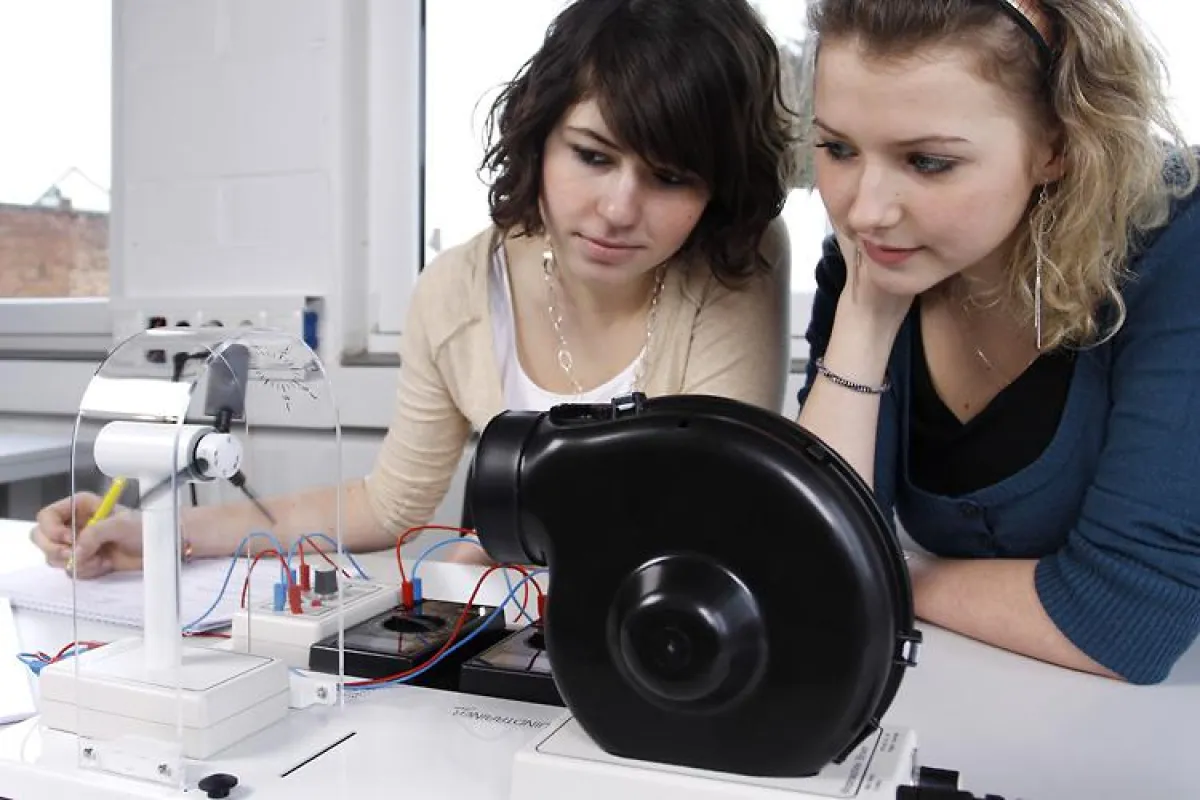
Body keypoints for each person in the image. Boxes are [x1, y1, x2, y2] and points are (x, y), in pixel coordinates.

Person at [31, 0, 797, 578]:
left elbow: (714, 512)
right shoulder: (457, 293)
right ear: (540, 136)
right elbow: (388, 502)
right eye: (593, 156)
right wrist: (161, 535)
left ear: (717, 193)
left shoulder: (738, 261)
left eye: (670, 178)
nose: (620, 209)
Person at [794, 0, 1200, 685]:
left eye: (926, 162)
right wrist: (865, 319)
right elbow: (810, 554)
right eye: (838, 148)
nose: (863, 209)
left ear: (1060, 144)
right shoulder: (878, 253)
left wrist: (889, 573)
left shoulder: (1177, 251)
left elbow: (1123, 621)